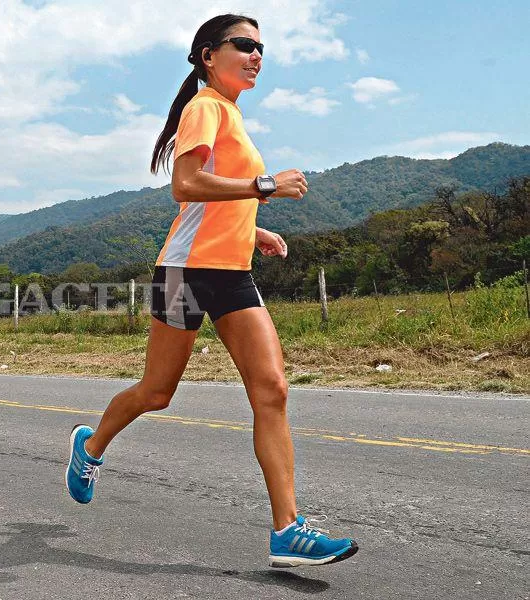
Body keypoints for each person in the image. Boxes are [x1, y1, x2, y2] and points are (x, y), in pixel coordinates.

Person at [65, 14, 358, 568]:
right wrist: (265, 185)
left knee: (272, 388)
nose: (256, 55)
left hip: (231, 272)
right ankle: (92, 443)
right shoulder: (204, 107)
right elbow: (185, 184)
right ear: (207, 55)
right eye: (244, 45)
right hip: (185, 274)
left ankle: (286, 530)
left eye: (261, 48)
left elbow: (215, 201)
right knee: (156, 391)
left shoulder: (233, 116)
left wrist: (256, 228)